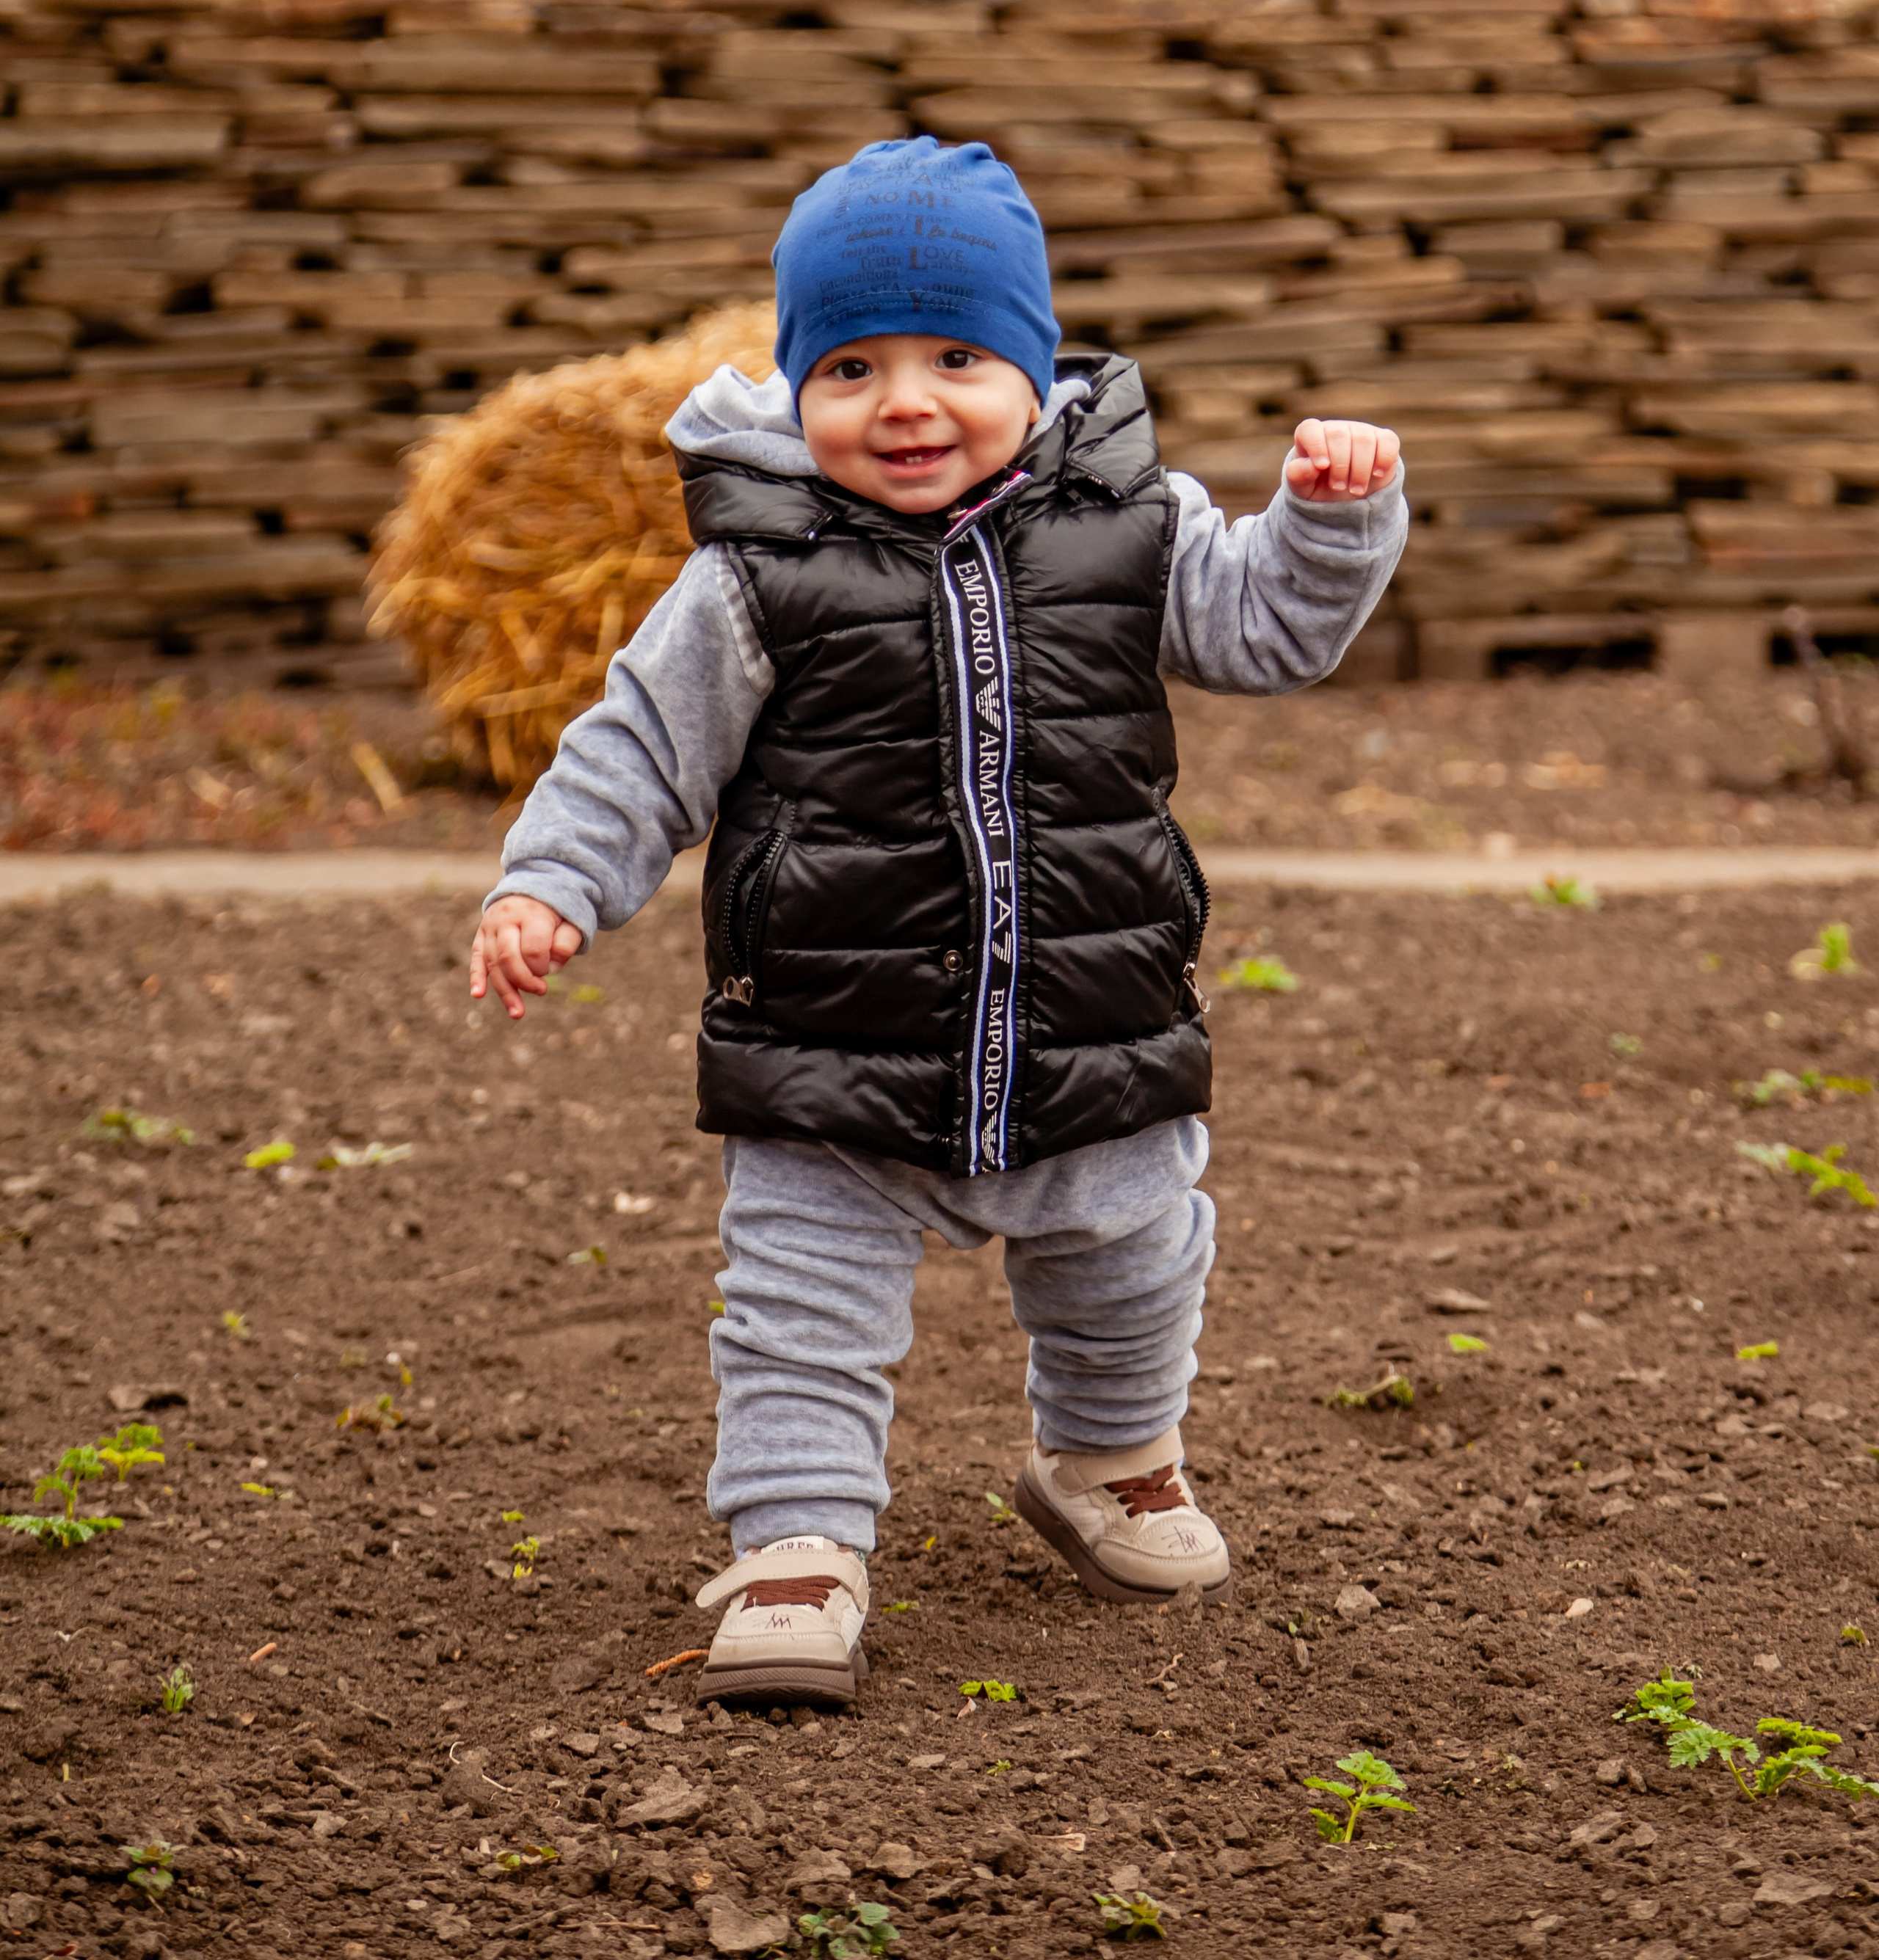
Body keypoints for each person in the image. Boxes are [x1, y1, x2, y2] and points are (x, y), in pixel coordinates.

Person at [469, 134, 1405, 1708]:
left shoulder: (1137, 524)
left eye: (956, 357)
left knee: (1130, 1260)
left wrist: (1323, 523)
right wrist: (551, 882)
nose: (904, 401)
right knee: (796, 1310)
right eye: (849, 367)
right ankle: (794, 1548)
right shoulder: (756, 572)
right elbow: (638, 745)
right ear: (794, 385)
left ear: (1034, 367)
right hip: (829, 1036)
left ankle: (1107, 1459)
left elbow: (1266, 633)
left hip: (1090, 1015)